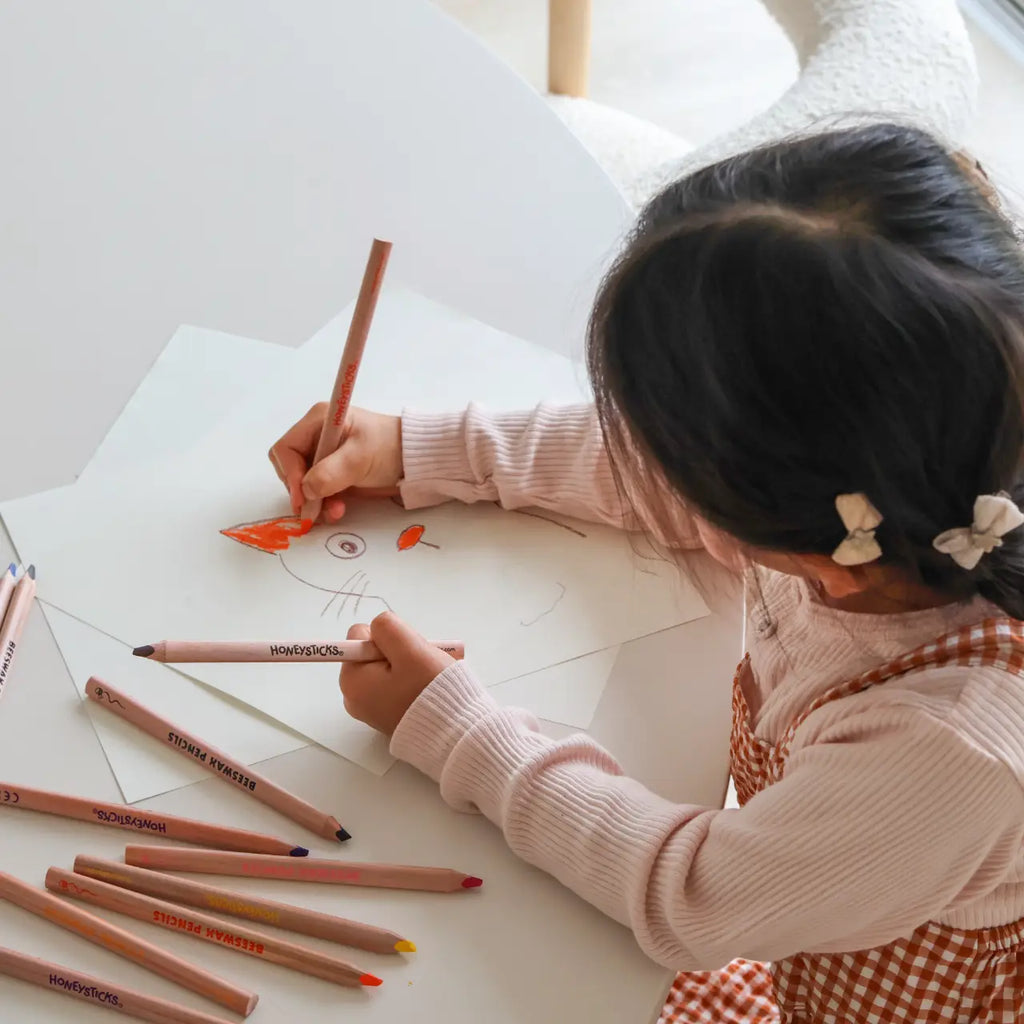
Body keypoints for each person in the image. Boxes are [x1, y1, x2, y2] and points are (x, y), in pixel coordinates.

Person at [269, 123, 1024, 1022]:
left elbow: (692, 897)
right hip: (826, 890)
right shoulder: (900, 486)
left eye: (668, 452)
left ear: (783, 526)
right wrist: (421, 449)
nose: (637, 459)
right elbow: (648, 476)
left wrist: (461, 731)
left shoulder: (948, 755)